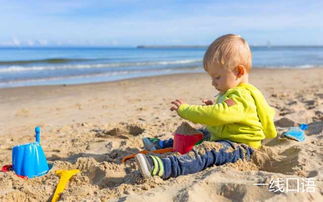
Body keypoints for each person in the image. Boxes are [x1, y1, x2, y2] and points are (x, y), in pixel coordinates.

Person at [135, 34, 277, 179]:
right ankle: (163, 145)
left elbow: (218, 115)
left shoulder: (242, 96)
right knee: (200, 134)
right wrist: (216, 105)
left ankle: (165, 167)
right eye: (212, 78)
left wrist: (186, 110)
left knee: (207, 153)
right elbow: (229, 113)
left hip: (241, 147)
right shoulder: (234, 92)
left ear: (239, 72)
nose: (213, 83)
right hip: (225, 136)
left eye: (217, 77)